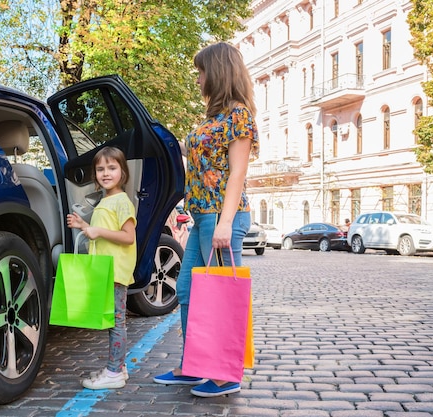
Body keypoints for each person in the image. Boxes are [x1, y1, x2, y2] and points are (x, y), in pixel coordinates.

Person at [153, 41, 259, 397]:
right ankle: (194, 365)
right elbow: (198, 155)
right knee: (186, 292)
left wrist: (226, 223)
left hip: (221, 217)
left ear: (216, 72)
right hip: (202, 217)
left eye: (200, 71)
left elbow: (236, 175)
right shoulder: (213, 119)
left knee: (222, 295)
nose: (197, 78)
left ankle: (227, 374)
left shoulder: (238, 117)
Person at [66, 146, 137, 390]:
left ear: (122, 172)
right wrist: (84, 225)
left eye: (112, 167)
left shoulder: (122, 201)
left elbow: (128, 237)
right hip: (106, 268)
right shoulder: (106, 200)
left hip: (116, 270)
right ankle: (119, 366)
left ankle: (114, 372)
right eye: (100, 169)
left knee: (116, 322)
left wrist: (96, 231)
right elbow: (103, 233)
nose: (105, 173)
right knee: (111, 320)